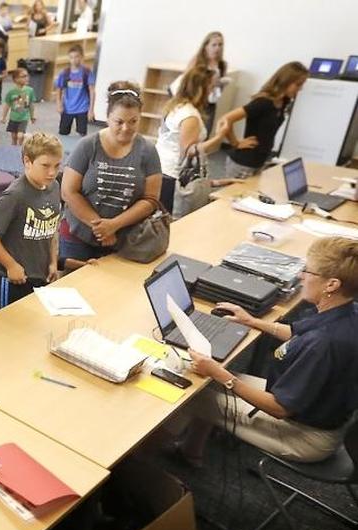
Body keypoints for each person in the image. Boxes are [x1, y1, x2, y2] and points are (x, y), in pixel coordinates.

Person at [174, 237, 358, 467]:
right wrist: (252, 321)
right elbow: (298, 332)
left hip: (302, 436)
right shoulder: (346, 310)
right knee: (206, 377)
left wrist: (221, 375)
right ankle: (191, 450)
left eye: (308, 272)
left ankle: (147, 463)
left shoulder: (324, 344)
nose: (301, 276)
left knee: (186, 393)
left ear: (331, 285)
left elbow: (279, 408)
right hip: (313, 412)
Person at [59, 81, 162, 263]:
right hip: (78, 236)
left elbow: (151, 200)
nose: (126, 128)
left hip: (125, 241)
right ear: (108, 118)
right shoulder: (88, 146)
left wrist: (114, 225)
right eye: (119, 122)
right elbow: (68, 191)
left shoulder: (148, 151)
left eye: (133, 122)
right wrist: (100, 228)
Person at [0, 133, 63, 313]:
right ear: (27, 161)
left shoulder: (54, 186)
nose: (52, 172)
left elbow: (53, 226)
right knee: (5, 328)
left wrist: (53, 261)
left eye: (57, 166)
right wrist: (10, 265)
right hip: (14, 279)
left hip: (41, 274)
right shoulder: (15, 195)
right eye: (45, 166)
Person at [155, 66, 229, 216]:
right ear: (201, 88)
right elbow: (189, 151)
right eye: (210, 86)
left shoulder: (176, 106)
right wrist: (219, 137)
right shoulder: (190, 116)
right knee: (170, 221)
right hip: (171, 175)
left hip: (160, 168)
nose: (212, 90)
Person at [218, 61, 308, 179]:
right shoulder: (263, 102)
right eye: (298, 85)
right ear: (286, 81)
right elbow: (225, 119)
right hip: (244, 163)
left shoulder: (283, 102)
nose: (300, 89)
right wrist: (235, 143)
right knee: (232, 196)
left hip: (259, 161)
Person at [171, 31, 230, 135]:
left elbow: (219, 90)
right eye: (214, 45)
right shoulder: (197, 61)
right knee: (188, 128)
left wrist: (220, 84)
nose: (217, 48)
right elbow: (187, 81)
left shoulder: (222, 64)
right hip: (195, 98)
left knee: (205, 130)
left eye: (220, 45)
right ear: (206, 46)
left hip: (210, 101)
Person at [55, 44, 95, 136]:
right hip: (67, 108)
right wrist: (59, 104)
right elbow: (59, 89)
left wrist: (91, 110)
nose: (74, 59)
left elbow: (92, 91)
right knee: (63, 132)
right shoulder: (65, 73)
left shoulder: (86, 72)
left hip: (82, 108)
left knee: (82, 133)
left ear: (81, 57)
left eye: (76, 57)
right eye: (71, 57)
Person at [2, 68, 35, 145]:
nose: (26, 78)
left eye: (27, 76)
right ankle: (14, 147)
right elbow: (7, 105)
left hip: (24, 118)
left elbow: (31, 104)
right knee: (14, 136)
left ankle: (20, 147)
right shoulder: (11, 92)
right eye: (23, 76)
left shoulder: (30, 90)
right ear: (16, 79)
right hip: (13, 117)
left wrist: (32, 116)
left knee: (20, 136)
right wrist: (4, 117)